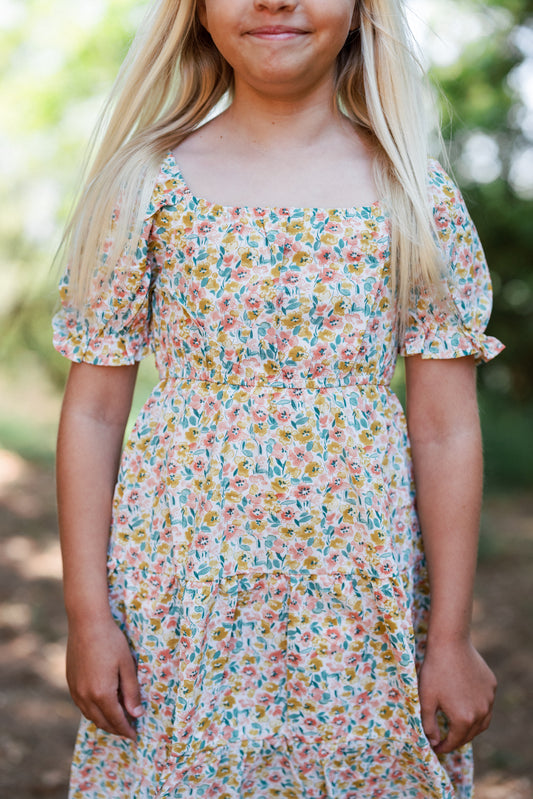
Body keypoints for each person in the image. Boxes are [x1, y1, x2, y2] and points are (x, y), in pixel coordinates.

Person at [53, 0, 504, 797]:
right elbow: (91, 414)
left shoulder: (412, 196)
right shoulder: (148, 185)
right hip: (181, 600)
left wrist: (450, 636)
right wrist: (90, 618)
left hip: (355, 607)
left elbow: (443, 429)